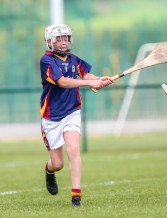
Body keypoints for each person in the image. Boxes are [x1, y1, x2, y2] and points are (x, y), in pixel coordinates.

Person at [39, 24, 113, 207]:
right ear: (50, 41)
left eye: (66, 38)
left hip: (72, 110)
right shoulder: (46, 61)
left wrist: (99, 79)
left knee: (73, 148)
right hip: (51, 116)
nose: (63, 42)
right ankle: (49, 171)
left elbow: (85, 74)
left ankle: (76, 196)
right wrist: (90, 84)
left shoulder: (74, 59)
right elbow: (62, 82)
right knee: (58, 164)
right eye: (59, 39)